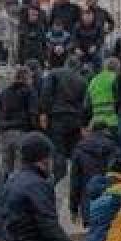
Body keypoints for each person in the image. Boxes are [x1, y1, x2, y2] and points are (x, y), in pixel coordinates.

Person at [39, 52, 87, 182]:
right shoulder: (82, 80)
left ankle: (58, 178)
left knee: (58, 149)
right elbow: (85, 104)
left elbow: (46, 93)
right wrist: (83, 123)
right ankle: (74, 178)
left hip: (57, 117)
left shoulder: (54, 74)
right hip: (75, 119)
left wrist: (43, 112)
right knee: (73, 150)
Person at [0, 66, 40, 176]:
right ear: (27, 78)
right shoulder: (30, 92)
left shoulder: (4, 91)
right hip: (22, 132)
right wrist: (35, 130)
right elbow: (33, 113)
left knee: (5, 166)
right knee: (20, 167)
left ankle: (2, 190)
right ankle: (16, 191)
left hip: (5, 132)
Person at [69, 122, 119, 223]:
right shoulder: (113, 147)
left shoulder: (79, 149)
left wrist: (73, 208)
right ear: (106, 131)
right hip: (110, 201)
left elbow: (75, 182)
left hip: (88, 205)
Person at [87, 57, 121, 133]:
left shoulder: (93, 80)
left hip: (97, 122)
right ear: (117, 68)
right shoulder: (116, 78)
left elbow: (87, 104)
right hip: (114, 121)